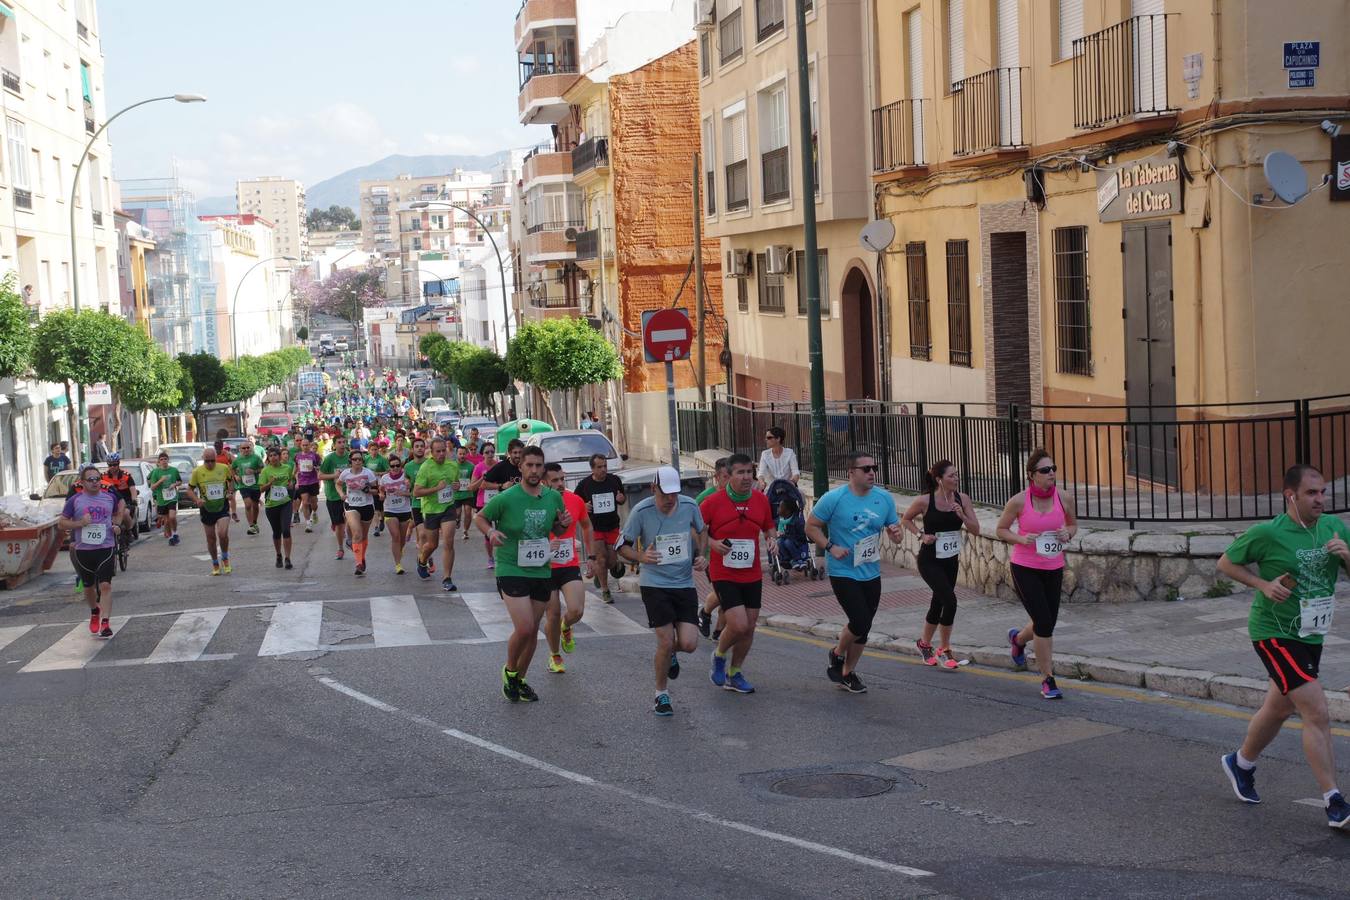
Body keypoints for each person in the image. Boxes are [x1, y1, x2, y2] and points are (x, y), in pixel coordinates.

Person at [1216, 464, 1350, 829]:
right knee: (1317, 710)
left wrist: (1347, 557)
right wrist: (1262, 585)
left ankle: (1240, 763)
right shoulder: (1268, 533)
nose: (1321, 499)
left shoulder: (1335, 528)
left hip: (1311, 633)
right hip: (1273, 631)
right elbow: (1226, 562)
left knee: (1278, 708)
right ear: (1291, 495)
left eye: (1322, 492)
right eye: (1312, 493)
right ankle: (1334, 801)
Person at [473, 446, 572, 703]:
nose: (534, 470)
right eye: (529, 465)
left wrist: (563, 525)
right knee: (525, 627)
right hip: (511, 567)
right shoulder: (507, 497)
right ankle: (508, 669)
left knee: (533, 631)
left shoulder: (552, 497)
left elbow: (558, 530)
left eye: (539, 466)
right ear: (521, 467)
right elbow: (480, 518)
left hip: (540, 569)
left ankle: (519, 679)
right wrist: (491, 533)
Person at [805, 452, 902, 695]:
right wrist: (830, 547)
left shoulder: (884, 498)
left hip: (871, 571)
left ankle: (847, 672)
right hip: (843, 571)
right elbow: (811, 526)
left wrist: (896, 535)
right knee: (860, 620)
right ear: (851, 472)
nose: (872, 473)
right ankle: (837, 653)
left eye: (874, 468)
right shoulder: (834, 498)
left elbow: (894, 530)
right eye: (866, 469)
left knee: (864, 628)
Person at [617, 466, 708, 716]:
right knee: (666, 641)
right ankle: (661, 694)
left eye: (674, 494)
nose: (670, 499)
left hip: (684, 583)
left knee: (688, 644)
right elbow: (621, 547)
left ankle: (670, 655)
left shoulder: (689, 505)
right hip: (654, 583)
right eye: (665, 494)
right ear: (653, 489)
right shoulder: (641, 511)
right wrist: (640, 557)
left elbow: (702, 530)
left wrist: (702, 555)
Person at [995, 449, 1078, 700]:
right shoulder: (1019, 501)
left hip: (1053, 567)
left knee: (1047, 621)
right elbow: (1001, 529)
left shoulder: (1064, 498)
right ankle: (1048, 679)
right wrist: (1022, 538)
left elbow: (1073, 524)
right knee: (1044, 623)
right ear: (1032, 476)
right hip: (1025, 567)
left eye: (1053, 468)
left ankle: (1018, 640)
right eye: (1045, 470)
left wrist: (1068, 533)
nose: (1051, 473)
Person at [700, 453, 776, 694]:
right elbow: (696, 530)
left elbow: (768, 526)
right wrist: (711, 544)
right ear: (728, 476)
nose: (746, 477)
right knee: (739, 624)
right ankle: (719, 655)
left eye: (749, 472)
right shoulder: (713, 502)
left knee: (750, 626)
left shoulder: (760, 500)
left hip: (751, 572)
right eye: (740, 473)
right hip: (723, 572)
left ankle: (735, 672)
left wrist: (772, 539)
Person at [901, 460, 982, 670]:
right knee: (950, 601)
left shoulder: (962, 499)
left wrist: (962, 515)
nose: (956, 479)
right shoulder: (925, 501)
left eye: (957, 475)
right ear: (939, 479)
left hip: (951, 561)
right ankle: (944, 649)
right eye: (951, 476)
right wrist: (921, 535)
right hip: (929, 560)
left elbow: (976, 530)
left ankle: (924, 644)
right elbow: (906, 519)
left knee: (938, 603)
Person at [58, 465, 126, 638]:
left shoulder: (110, 497)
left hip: (106, 547)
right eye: (91, 480)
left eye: (97, 479)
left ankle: (105, 623)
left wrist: (117, 525)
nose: (95, 482)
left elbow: (121, 508)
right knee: (88, 587)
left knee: (105, 585)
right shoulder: (75, 500)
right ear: (82, 482)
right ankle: (95, 611)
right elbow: (62, 523)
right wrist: (79, 523)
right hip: (84, 550)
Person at [543, 462, 593, 674]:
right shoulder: (538, 503)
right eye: (555, 480)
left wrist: (591, 556)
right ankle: (554, 655)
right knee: (552, 614)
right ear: (545, 482)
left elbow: (587, 526)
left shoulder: (575, 500)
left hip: (569, 564)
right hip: (544, 567)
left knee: (576, 610)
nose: (561, 483)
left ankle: (566, 626)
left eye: (562, 479)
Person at [574, 452, 626, 603]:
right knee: (601, 560)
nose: (603, 469)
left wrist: (621, 499)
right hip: (594, 527)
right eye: (599, 467)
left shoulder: (614, 480)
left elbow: (622, 498)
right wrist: (583, 505)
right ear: (592, 469)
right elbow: (575, 502)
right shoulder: (584, 485)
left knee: (610, 561)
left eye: (605, 466)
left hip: (612, 526)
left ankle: (610, 567)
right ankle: (605, 590)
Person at [412, 437, 461, 591]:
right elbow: (417, 491)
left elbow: (456, 484)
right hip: (431, 510)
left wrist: (457, 486)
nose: (441, 454)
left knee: (448, 542)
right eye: (438, 451)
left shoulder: (453, 466)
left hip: (448, 507)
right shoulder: (426, 467)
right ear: (432, 453)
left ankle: (447, 578)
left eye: (443, 451)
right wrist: (436, 489)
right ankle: (422, 560)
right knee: (432, 544)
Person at [186, 447, 237, 576]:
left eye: (212, 461)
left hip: (222, 507)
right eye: (207, 461)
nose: (209, 464)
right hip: (206, 509)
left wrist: (230, 492)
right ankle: (215, 563)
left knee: (222, 533)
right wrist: (197, 500)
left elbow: (231, 482)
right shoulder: (197, 472)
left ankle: (225, 558)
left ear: (216, 459)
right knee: (211, 539)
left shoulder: (223, 468)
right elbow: (189, 490)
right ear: (203, 459)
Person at [694, 457, 730, 635]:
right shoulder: (705, 498)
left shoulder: (739, 495)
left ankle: (719, 631)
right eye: (725, 477)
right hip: (712, 555)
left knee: (731, 595)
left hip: (735, 553)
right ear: (717, 477)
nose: (730, 480)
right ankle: (705, 612)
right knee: (725, 593)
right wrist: (708, 545)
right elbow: (693, 527)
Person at [336, 450, 377, 576]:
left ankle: (361, 557)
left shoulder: (368, 473)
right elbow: (338, 484)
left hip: (367, 506)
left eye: (360, 459)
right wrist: (342, 494)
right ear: (351, 461)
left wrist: (368, 490)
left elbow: (377, 490)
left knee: (363, 536)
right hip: (351, 505)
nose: (358, 461)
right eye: (355, 459)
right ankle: (358, 563)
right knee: (357, 533)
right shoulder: (345, 473)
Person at [258, 445, 296, 569]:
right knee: (276, 532)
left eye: (275, 455)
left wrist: (291, 485)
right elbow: (261, 489)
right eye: (271, 456)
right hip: (271, 505)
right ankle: (279, 554)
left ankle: (288, 558)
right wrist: (270, 483)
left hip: (285, 503)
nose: (273, 457)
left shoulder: (287, 468)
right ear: (268, 458)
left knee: (286, 530)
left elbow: (290, 481)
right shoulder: (266, 471)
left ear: (279, 457)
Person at [379, 454, 414, 574]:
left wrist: (404, 493)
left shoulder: (406, 477)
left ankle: (400, 551)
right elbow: (381, 489)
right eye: (392, 466)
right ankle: (398, 564)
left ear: (401, 466)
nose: (395, 468)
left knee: (402, 539)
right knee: (395, 536)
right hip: (390, 509)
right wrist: (382, 495)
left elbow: (414, 493)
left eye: (397, 465)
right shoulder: (384, 478)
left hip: (404, 510)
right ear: (389, 467)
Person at [318, 434, 351, 561]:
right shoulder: (329, 458)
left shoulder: (350, 457)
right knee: (339, 524)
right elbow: (320, 476)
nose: (342, 444)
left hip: (350, 494)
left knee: (349, 521)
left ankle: (348, 538)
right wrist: (334, 475)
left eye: (344, 442)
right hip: (333, 495)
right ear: (335, 445)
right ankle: (340, 548)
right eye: (339, 442)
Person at [470, 443, 499, 569]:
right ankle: (490, 557)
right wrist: (482, 479)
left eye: (492, 452)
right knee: (488, 533)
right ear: (483, 454)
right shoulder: (478, 467)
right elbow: (472, 487)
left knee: (503, 529)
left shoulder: (499, 465)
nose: (490, 454)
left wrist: (495, 485)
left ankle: (504, 556)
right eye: (487, 452)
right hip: (483, 503)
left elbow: (503, 482)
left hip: (499, 501)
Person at [231, 439, 264, 536]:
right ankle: (251, 526)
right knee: (248, 504)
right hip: (243, 485)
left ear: (250, 448)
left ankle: (254, 522)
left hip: (255, 485)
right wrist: (236, 476)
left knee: (255, 505)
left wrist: (254, 472)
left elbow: (263, 468)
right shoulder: (238, 459)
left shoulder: (256, 458)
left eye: (247, 447)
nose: (246, 449)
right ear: (240, 449)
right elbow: (232, 468)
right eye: (243, 448)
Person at [148, 452, 182, 545]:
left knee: (172, 517)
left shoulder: (174, 470)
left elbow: (179, 481)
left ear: (168, 460)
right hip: (162, 499)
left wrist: (174, 484)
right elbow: (152, 487)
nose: (163, 461)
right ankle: (171, 537)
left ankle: (175, 533)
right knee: (166, 521)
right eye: (161, 459)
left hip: (172, 497)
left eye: (165, 459)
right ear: (159, 461)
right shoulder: (156, 472)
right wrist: (161, 480)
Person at [294, 437, 322, 532]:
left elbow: (319, 466)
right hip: (303, 482)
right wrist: (295, 479)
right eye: (303, 445)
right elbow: (296, 469)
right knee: (305, 502)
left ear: (310, 446)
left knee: (314, 503)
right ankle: (308, 523)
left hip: (313, 481)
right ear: (301, 446)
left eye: (307, 445)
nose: (305, 447)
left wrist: (317, 468)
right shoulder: (297, 456)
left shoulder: (315, 455)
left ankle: (314, 512)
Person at [451, 445, 476, 543]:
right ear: (457, 454)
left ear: (467, 454)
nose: (462, 456)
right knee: (457, 513)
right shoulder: (452, 465)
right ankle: (457, 520)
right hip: (456, 494)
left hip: (468, 493)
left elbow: (474, 479)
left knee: (468, 512)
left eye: (464, 454)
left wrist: (472, 485)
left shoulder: (471, 466)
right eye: (460, 454)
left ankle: (465, 530)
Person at [368, 439, 391, 537]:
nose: (374, 451)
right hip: (370, 485)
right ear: (369, 450)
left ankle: (382, 519)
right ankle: (376, 527)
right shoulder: (366, 459)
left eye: (376, 449)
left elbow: (388, 471)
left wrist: (378, 473)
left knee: (381, 507)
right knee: (375, 508)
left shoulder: (382, 459)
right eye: (372, 449)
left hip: (380, 485)